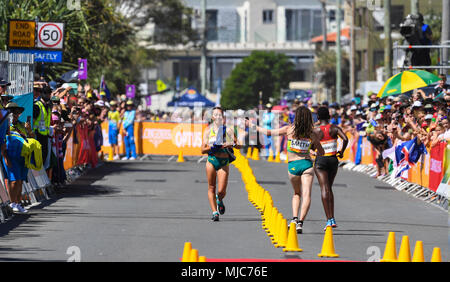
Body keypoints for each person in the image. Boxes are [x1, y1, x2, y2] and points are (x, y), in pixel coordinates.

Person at [248, 106, 324, 233]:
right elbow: (321, 151)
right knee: (307, 195)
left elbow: (268, 132)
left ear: (297, 117)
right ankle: (300, 223)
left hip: (293, 166)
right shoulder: (312, 133)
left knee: (297, 194)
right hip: (307, 165)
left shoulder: (289, 130)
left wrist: (253, 126)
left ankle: (294, 219)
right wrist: (312, 150)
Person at [201, 106, 241, 222]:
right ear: (213, 117)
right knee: (211, 187)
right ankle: (214, 212)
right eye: (216, 115)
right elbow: (202, 150)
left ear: (223, 117)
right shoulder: (208, 131)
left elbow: (239, 145)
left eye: (220, 115)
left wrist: (230, 145)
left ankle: (219, 199)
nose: (218, 117)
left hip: (224, 162)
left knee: (221, 191)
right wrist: (213, 147)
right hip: (212, 160)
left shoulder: (228, 130)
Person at [313, 107, 348, 230]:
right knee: (329, 188)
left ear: (318, 117)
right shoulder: (334, 128)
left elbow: (311, 145)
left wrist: (313, 151)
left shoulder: (315, 130)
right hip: (333, 160)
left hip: (320, 161)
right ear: (329, 116)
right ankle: (332, 218)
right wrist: (341, 152)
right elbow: (345, 138)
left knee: (324, 188)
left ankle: (329, 220)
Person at [3, 103, 29, 214]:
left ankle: (18, 203)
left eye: (18, 112)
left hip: (22, 156)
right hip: (11, 155)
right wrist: (5, 157)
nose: (16, 115)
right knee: (13, 180)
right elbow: (2, 141)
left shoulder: (22, 125)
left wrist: (29, 130)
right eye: (14, 112)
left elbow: (30, 138)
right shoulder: (5, 125)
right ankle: (12, 202)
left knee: (20, 180)